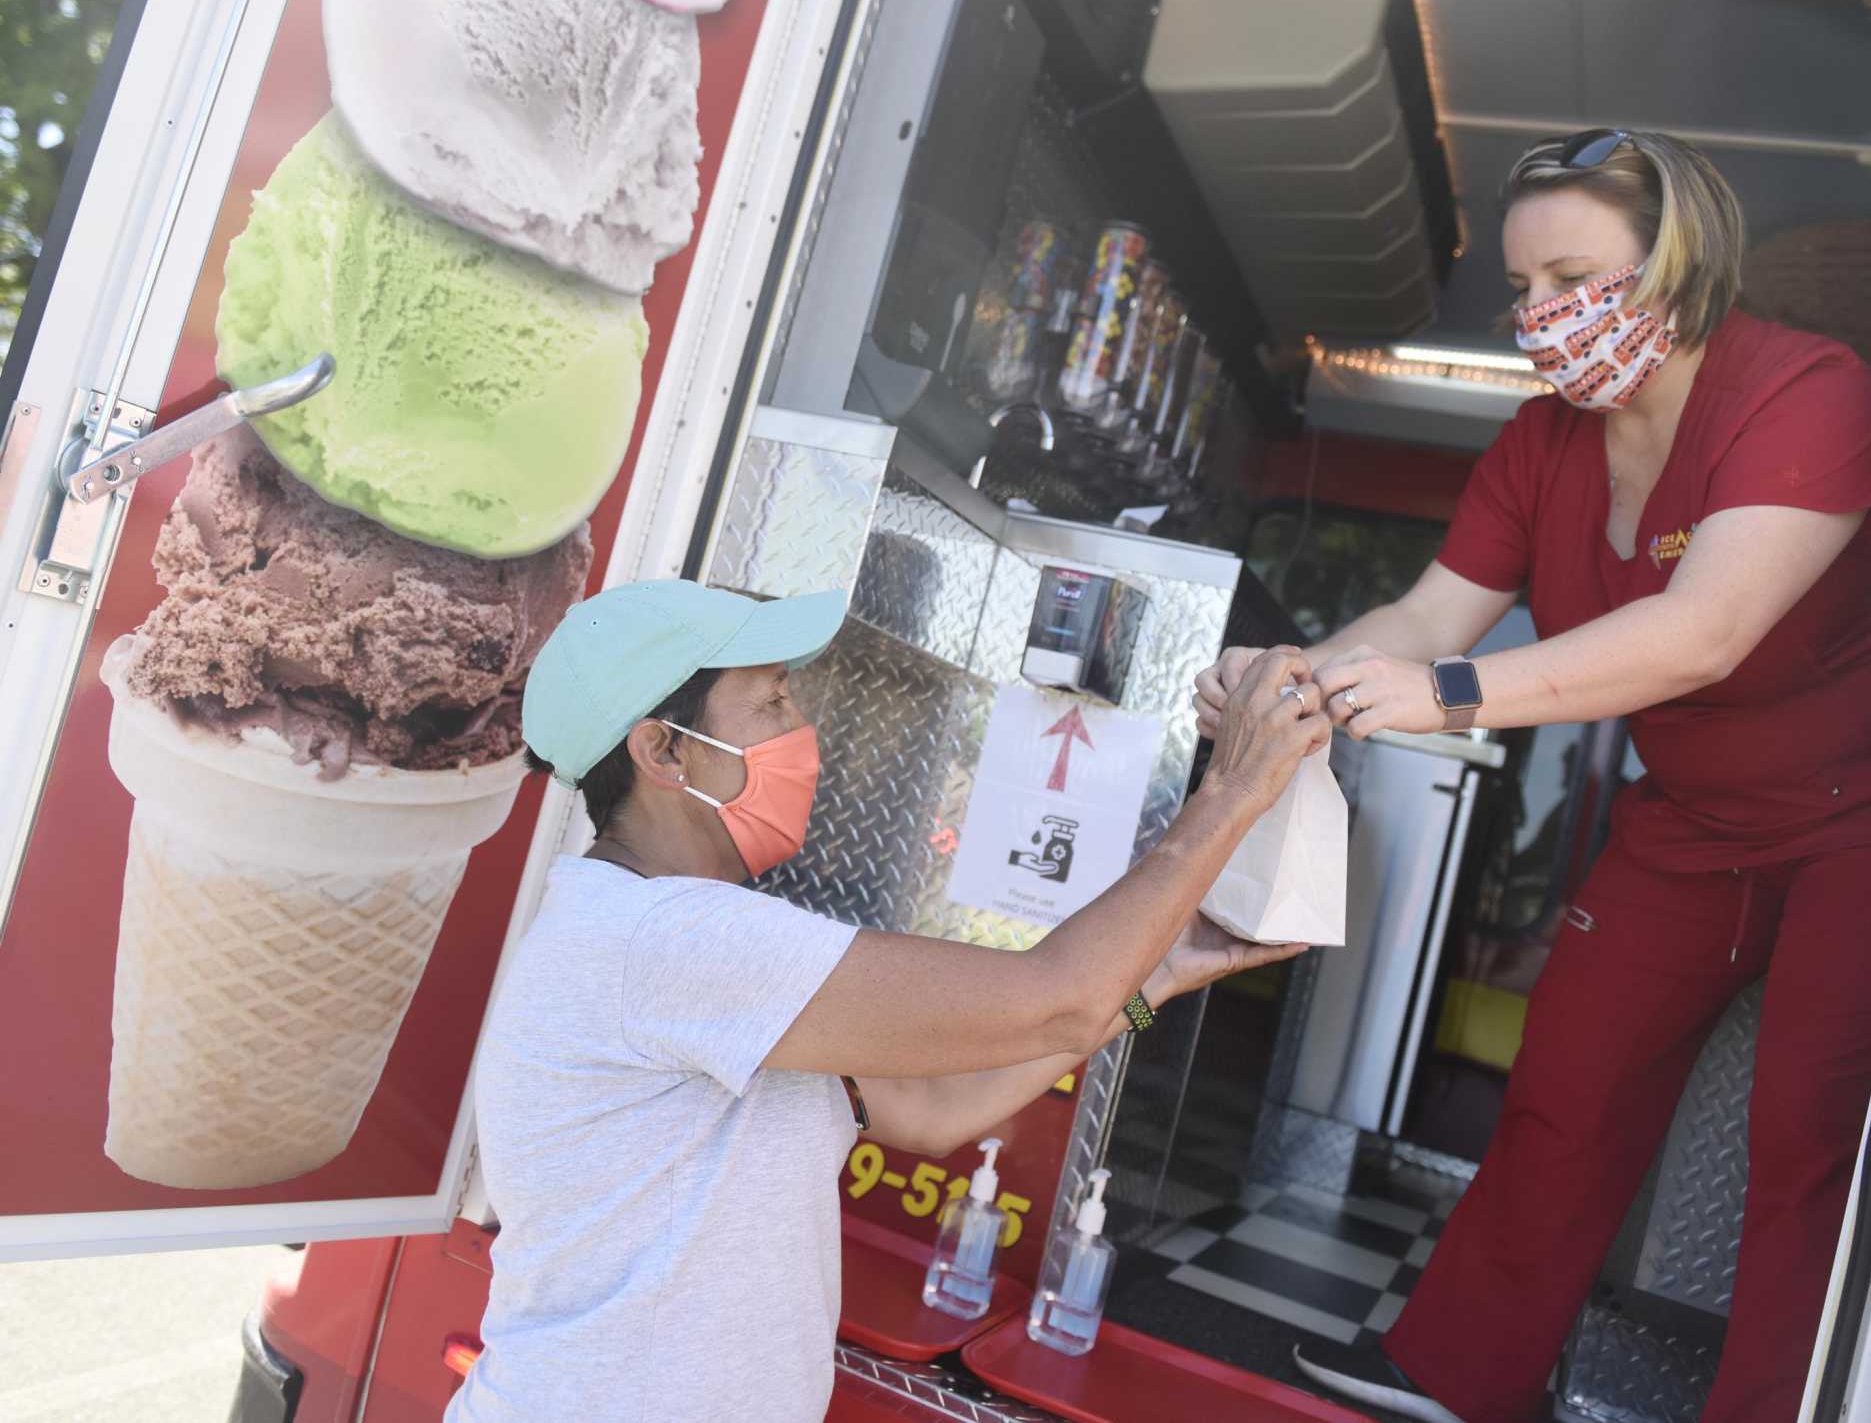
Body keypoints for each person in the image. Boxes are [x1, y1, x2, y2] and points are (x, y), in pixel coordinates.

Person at [1196, 130, 1871, 1423]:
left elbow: (1702, 629)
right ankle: (1461, 1372)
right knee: (1572, 1070)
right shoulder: (1543, 443)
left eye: (1573, 272)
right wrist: (1291, 674)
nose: (1540, 314)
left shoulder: (1808, 391)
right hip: (1700, 812)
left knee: (1811, 1131)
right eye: (1522, 285)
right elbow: (1432, 613)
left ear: (1679, 260)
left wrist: (1448, 696)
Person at [446, 579, 1331, 1423]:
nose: (802, 730)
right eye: (772, 704)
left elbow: (933, 1109)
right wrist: (1233, 790)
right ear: (662, 751)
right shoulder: (668, 939)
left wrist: (1160, 975)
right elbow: (1056, 999)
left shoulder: (668, 937)